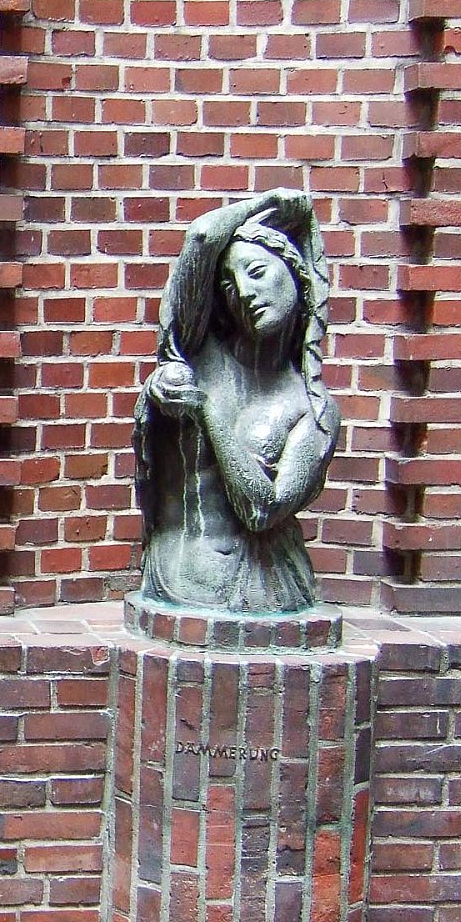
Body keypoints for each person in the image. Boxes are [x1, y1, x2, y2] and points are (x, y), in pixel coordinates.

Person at [133, 188, 340, 614]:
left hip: (271, 587)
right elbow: (202, 236)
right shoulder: (197, 350)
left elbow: (262, 511)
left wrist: (206, 410)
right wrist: (267, 204)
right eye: (229, 285)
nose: (244, 292)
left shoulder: (313, 410)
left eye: (257, 272)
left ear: (297, 275)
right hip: (181, 579)